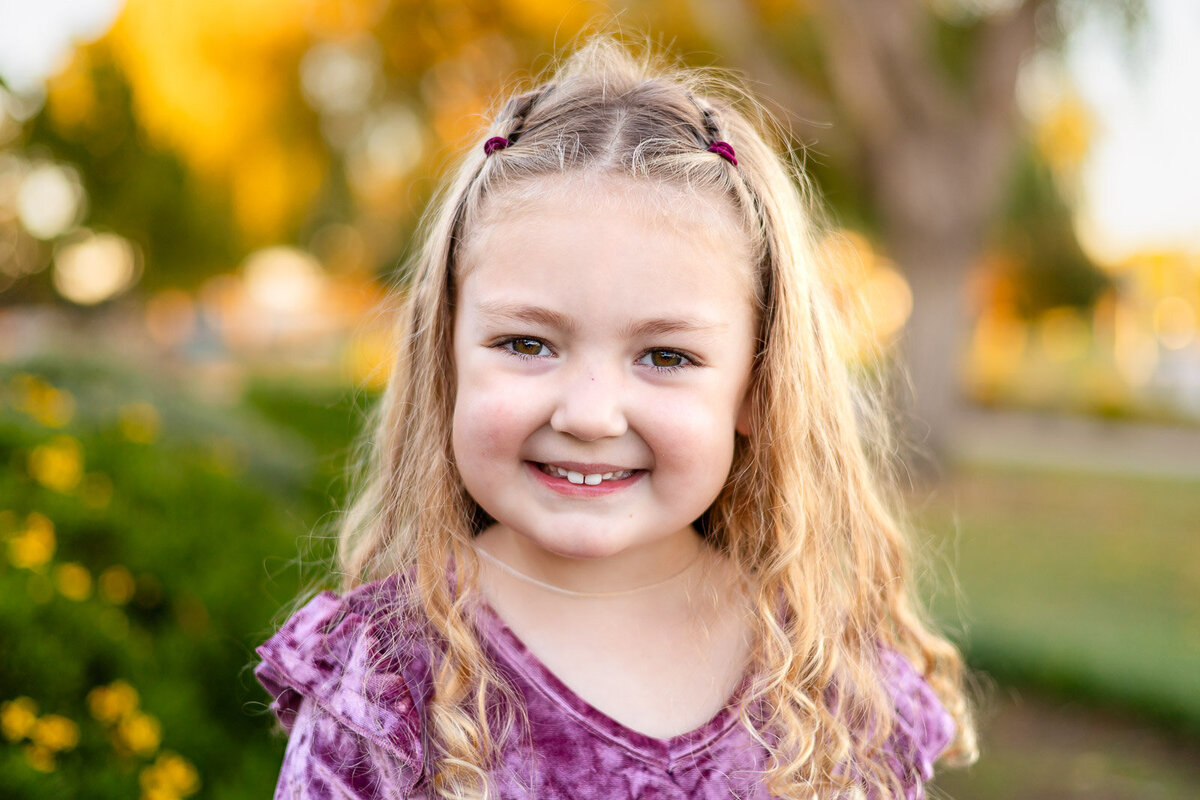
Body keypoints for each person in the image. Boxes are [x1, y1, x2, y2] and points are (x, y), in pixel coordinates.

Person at [256, 33, 977, 800]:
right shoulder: (385, 682)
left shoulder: (832, 688)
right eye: (526, 343)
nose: (592, 414)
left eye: (665, 356)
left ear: (760, 387)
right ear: (447, 362)